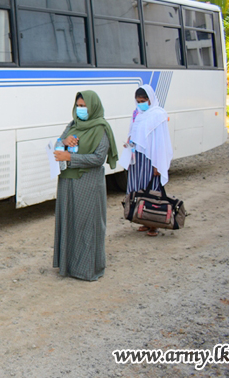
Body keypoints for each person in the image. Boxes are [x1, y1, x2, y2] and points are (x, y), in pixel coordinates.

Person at [53, 90, 118, 281]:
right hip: (67, 181)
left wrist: (70, 157)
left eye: (84, 106)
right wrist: (64, 142)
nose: (81, 110)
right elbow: (58, 143)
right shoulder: (73, 124)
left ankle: (88, 269)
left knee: (87, 224)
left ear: (93, 106)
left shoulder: (101, 128)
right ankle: (68, 266)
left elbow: (98, 158)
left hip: (88, 183)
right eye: (78, 106)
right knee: (69, 221)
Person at [126, 84, 173, 237]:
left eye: (143, 100)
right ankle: (144, 221)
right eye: (138, 101)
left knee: (153, 191)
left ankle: (154, 224)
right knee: (139, 189)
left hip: (152, 159)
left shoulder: (158, 115)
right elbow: (134, 133)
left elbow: (161, 141)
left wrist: (159, 164)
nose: (141, 103)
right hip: (138, 159)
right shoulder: (138, 114)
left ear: (150, 99)